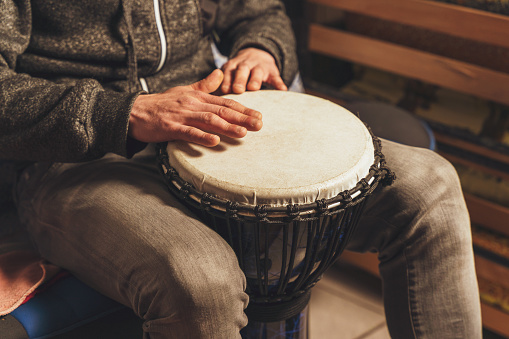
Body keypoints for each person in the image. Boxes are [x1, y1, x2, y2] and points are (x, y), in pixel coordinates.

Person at [0, 0, 482, 338]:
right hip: (73, 159)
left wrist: (261, 49)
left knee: (429, 189)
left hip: (213, 116)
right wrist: (127, 113)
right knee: (199, 278)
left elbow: (259, 12)